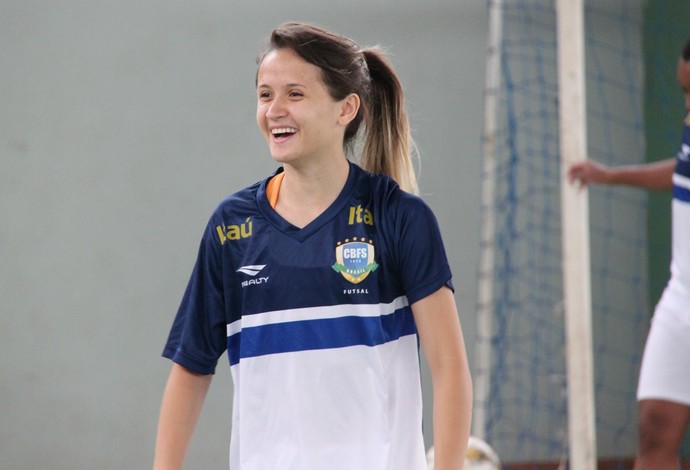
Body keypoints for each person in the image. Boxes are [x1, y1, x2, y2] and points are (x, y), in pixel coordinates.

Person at [153, 22, 472, 470]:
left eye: (295, 94)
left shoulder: (400, 217)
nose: (275, 110)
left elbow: (450, 370)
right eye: (265, 95)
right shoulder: (231, 227)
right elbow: (191, 367)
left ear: (346, 109)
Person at [567, 38, 690, 470]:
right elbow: (683, 169)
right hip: (682, 299)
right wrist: (610, 175)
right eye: (684, 92)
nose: (688, 104)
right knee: (655, 427)